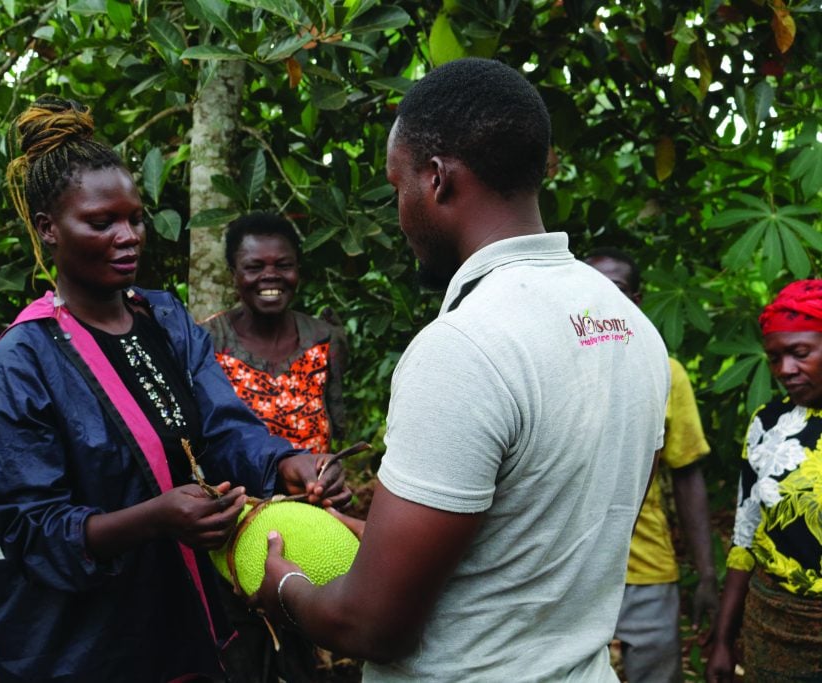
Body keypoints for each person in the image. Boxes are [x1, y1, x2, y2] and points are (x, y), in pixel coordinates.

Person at [250, 57, 671, 681]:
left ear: (437, 179)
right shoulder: (630, 325)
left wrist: (283, 590)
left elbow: (372, 625)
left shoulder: (465, 347)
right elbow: (536, 543)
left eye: (398, 187)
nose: (399, 213)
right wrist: (367, 532)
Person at [0, 94, 349, 683]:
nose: (128, 237)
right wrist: (154, 518)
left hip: (181, 618)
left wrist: (287, 462)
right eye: (101, 223)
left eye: (134, 218)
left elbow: (222, 427)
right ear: (48, 229)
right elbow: (29, 530)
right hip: (80, 646)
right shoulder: (21, 363)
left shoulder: (166, 320)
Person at [584, 247, 718, 683]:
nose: (602, 297)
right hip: (567, 563)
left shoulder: (665, 370)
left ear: (637, 300)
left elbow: (686, 474)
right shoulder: (553, 365)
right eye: (591, 286)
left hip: (644, 563)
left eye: (616, 289)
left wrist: (707, 575)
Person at [706, 280, 822, 682]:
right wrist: (723, 639)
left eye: (800, 353)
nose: (785, 370)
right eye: (775, 358)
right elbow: (745, 536)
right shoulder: (768, 423)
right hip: (774, 628)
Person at [200, 211, 348, 456]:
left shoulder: (323, 339)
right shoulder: (206, 342)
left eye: (283, 265)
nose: (270, 275)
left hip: (313, 490)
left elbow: (334, 424)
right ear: (232, 274)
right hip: (232, 493)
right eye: (254, 267)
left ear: (297, 269)